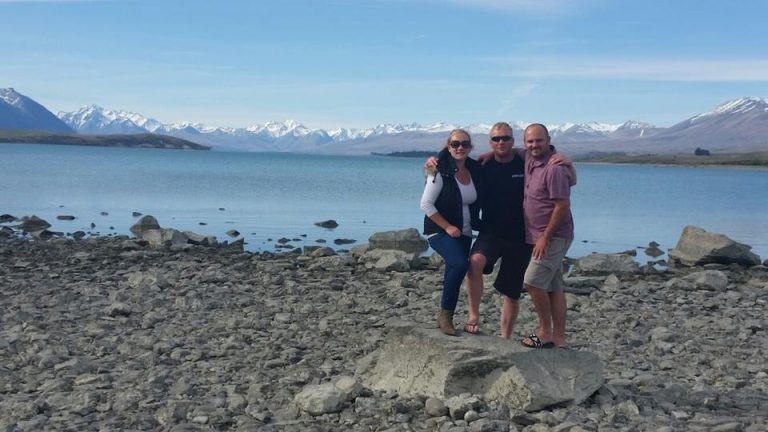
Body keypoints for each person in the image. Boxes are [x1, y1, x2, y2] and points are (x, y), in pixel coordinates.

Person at [424, 123, 575, 339]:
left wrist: (569, 164)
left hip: (521, 235)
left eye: (505, 138)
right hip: (491, 231)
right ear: (490, 142)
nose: (501, 142)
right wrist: (431, 163)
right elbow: (453, 166)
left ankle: (505, 337)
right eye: (496, 139)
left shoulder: (526, 161)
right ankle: (473, 317)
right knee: (474, 263)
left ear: (513, 142)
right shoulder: (481, 165)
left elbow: (568, 180)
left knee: (511, 290)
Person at [420, 129, 483, 336]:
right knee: (459, 263)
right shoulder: (439, 170)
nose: (460, 148)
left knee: (454, 271)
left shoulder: (474, 169)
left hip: (464, 232)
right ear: (449, 146)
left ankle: (446, 315)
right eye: (455, 144)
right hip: (439, 231)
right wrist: (447, 227)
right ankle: (445, 314)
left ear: (470, 147)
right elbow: (426, 204)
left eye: (465, 144)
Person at [520, 123, 575, 349]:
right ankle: (559, 338)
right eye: (530, 141)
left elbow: (562, 206)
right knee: (554, 287)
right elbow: (506, 151)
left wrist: (545, 237)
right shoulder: (529, 160)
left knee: (532, 282)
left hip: (553, 236)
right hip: (539, 235)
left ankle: (543, 331)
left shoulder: (554, 168)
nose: (534, 145)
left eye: (538, 141)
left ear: (548, 140)